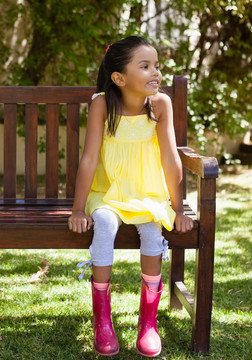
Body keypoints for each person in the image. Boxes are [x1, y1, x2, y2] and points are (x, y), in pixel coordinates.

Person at [67, 36, 194, 357]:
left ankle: (148, 323)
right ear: (119, 78)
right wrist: (78, 210)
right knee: (106, 225)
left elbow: (170, 160)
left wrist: (178, 210)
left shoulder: (160, 105)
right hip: (107, 193)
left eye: (157, 66)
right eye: (145, 66)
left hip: (148, 194)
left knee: (153, 229)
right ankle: (103, 320)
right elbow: (89, 159)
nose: (156, 73)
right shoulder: (102, 104)